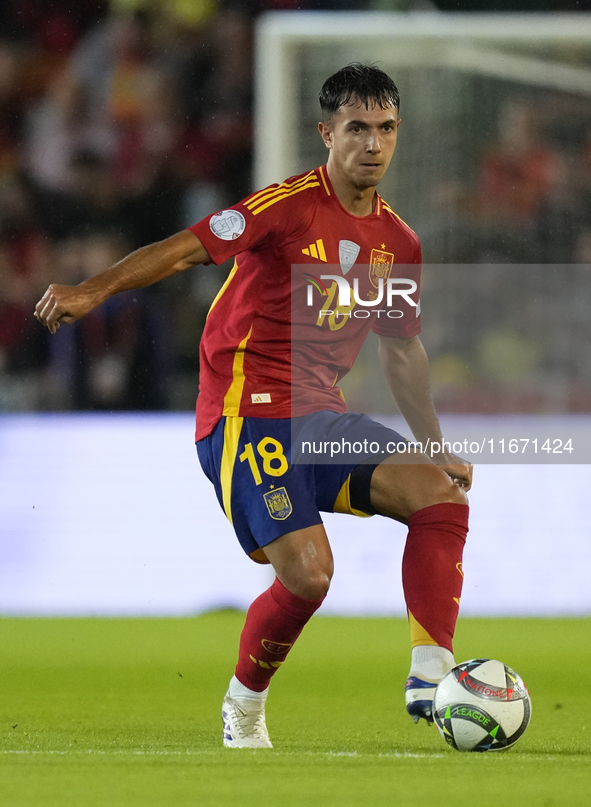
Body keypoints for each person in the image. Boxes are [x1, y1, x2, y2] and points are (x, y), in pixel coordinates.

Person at [35, 63, 472, 748]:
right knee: (308, 573)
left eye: (385, 128)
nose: (372, 143)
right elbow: (184, 251)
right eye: (357, 128)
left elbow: (399, 351)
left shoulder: (400, 243)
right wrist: (94, 290)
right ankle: (244, 703)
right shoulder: (283, 206)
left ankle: (430, 672)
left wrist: (435, 439)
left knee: (441, 495)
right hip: (244, 413)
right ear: (326, 133)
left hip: (320, 415)